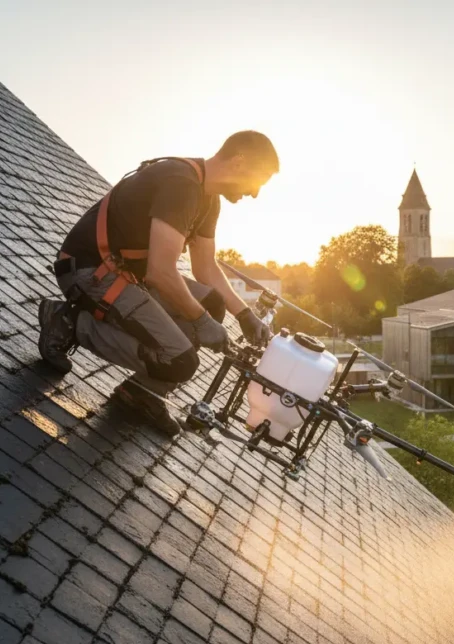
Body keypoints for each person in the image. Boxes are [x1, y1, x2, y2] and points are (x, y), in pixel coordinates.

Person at [38, 130, 278, 435]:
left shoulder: (208, 200)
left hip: (125, 274)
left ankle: (142, 393)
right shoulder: (182, 184)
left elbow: (205, 267)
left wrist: (244, 315)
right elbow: (161, 273)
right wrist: (202, 321)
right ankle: (68, 323)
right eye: (259, 181)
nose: (255, 193)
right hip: (88, 272)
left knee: (212, 303)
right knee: (181, 363)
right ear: (240, 162)